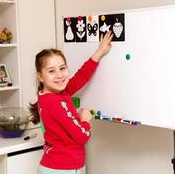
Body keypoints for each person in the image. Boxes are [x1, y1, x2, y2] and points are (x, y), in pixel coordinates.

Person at [29, 31, 113, 174]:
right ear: (40, 77)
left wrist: (99, 53)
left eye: (62, 68)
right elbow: (82, 136)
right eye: (51, 71)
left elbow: (80, 78)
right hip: (64, 168)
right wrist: (84, 120)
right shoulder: (57, 102)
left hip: (54, 166)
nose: (60, 75)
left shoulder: (47, 96)